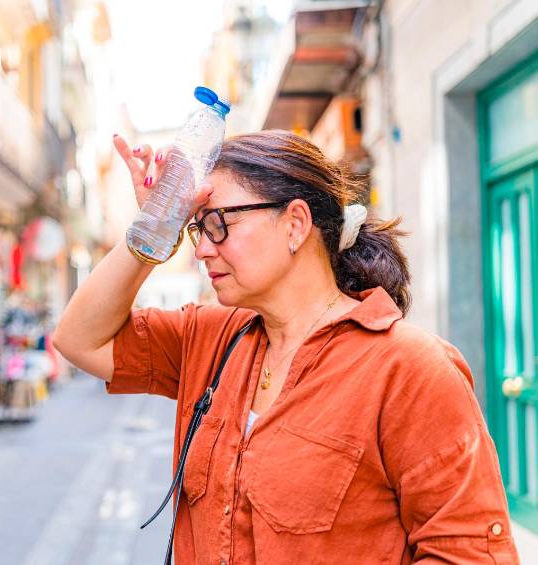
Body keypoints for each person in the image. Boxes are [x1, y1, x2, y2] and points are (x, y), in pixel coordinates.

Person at [53, 130, 519, 564]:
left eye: (218, 223)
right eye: (196, 227)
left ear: (295, 223)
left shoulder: (409, 369)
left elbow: (468, 552)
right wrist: (154, 228)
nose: (200, 249)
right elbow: (79, 340)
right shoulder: (212, 339)